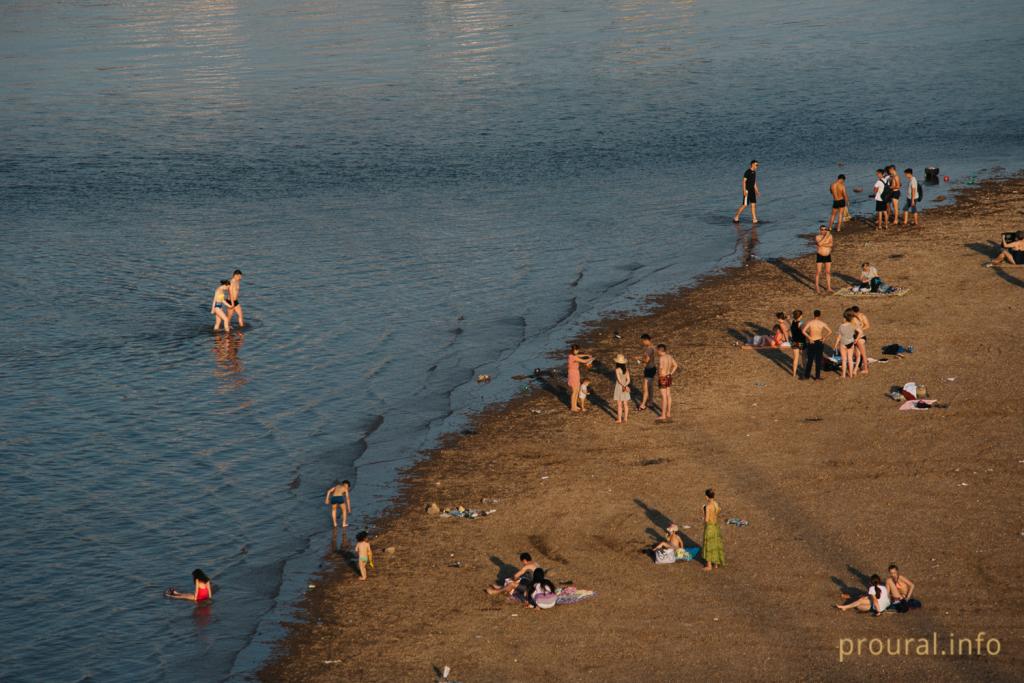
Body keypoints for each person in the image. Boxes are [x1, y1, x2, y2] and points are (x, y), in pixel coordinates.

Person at [802, 310, 832, 380]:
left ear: (814, 315)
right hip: (819, 341)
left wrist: (809, 338)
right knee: (818, 360)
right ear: (819, 315)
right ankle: (817, 376)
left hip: (812, 342)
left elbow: (803, 331)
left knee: (810, 359)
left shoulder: (810, 322)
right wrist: (824, 337)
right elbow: (830, 331)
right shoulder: (822, 323)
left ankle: (807, 376)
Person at [701, 489, 724, 572]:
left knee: (709, 545)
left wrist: (703, 511)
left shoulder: (708, 506)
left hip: (710, 527)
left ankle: (709, 565)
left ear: (706, 496)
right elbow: (718, 510)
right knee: (715, 543)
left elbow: (706, 520)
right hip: (715, 526)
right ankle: (716, 564)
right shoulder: (715, 503)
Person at [833, 310, 861, 379]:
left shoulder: (841, 326)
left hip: (843, 343)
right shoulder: (853, 325)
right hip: (851, 343)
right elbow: (860, 332)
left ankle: (843, 375)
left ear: (845, 318)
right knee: (850, 359)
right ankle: (851, 375)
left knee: (844, 360)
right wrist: (856, 340)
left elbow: (839, 337)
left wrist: (835, 345)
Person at [655, 344, 679, 421]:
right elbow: (675, 365)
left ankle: (663, 415)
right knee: (668, 395)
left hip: (663, 377)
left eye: (657, 350)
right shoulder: (669, 356)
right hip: (668, 376)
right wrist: (670, 373)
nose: (657, 352)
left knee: (664, 397)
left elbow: (661, 369)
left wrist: (659, 375)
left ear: (660, 350)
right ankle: (668, 413)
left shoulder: (661, 358)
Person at [567, 345, 593, 412]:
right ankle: (573, 407)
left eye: (578, 350)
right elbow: (583, 361)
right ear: (573, 350)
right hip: (573, 374)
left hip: (575, 373)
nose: (577, 351)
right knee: (574, 391)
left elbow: (579, 356)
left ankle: (575, 405)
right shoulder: (572, 357)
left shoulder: (571, 355)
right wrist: (591, 359)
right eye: (577, 350)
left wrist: (587, 355)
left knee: (577, 390)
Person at [732, 160, 760, 224]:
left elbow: (754, 182)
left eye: (757, 165)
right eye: (756, 165)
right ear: (752, 165)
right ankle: (736, 217)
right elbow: (743, 181)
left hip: (752, 190)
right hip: (747, 190)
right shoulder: (747, 172)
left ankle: (754, 219)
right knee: (745, 205)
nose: (757, 166)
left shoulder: (754, 172)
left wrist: (757, 190)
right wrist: (744, 190)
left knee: (753, 204)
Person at [636, 334, 657, 411]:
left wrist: (639, 360)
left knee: (645, 388)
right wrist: (641, 357)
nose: (642, 343)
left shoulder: (648, 349)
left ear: (646, 340)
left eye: (642, 341)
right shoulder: (652, 347)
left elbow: (646, 360)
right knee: (650, 387)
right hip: (652, 368)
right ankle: (650, 402)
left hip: (649, 370)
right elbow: (648, 358)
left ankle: (643, 405)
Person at [814, 225, 834, 294]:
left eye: (825, 229)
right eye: (822, 229)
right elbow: (819, 243)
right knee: (818, 272)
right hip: (820, 255)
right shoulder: (817, 237)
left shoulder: (830, 236)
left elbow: (831, 245)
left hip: (827, 256)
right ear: (820, 230)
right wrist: (826, 237)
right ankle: (817, 287)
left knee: (828, 272)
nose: (823, 231)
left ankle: (829, 287)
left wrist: (823, 244)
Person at [850, 306, 870, 374]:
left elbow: (867, 325)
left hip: (860, 337)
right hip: (855, 337)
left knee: (863, 355)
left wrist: (860, 329)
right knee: (857, 355)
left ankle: (866, 369)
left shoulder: (862, 316)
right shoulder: (853, 318)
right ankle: (855, 369)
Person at [612, 354, 631, 423]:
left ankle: (619, 419)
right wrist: (626, 386)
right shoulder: (626, 369)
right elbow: (628, 380)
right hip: (625, 386)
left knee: (619, 404)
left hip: (619, 387)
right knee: (625, 404)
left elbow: (619, 380)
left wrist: (623, 386)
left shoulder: (617, 369)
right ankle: (625, 418)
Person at [789, 309, 807, 378]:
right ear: (800, 316)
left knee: (795, 358)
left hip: (794, 342)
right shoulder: (801, 323)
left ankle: (794, 374)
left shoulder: (792, 322)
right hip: (801, 342)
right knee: (803, 358)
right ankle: (805, 372)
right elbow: (803, 332)